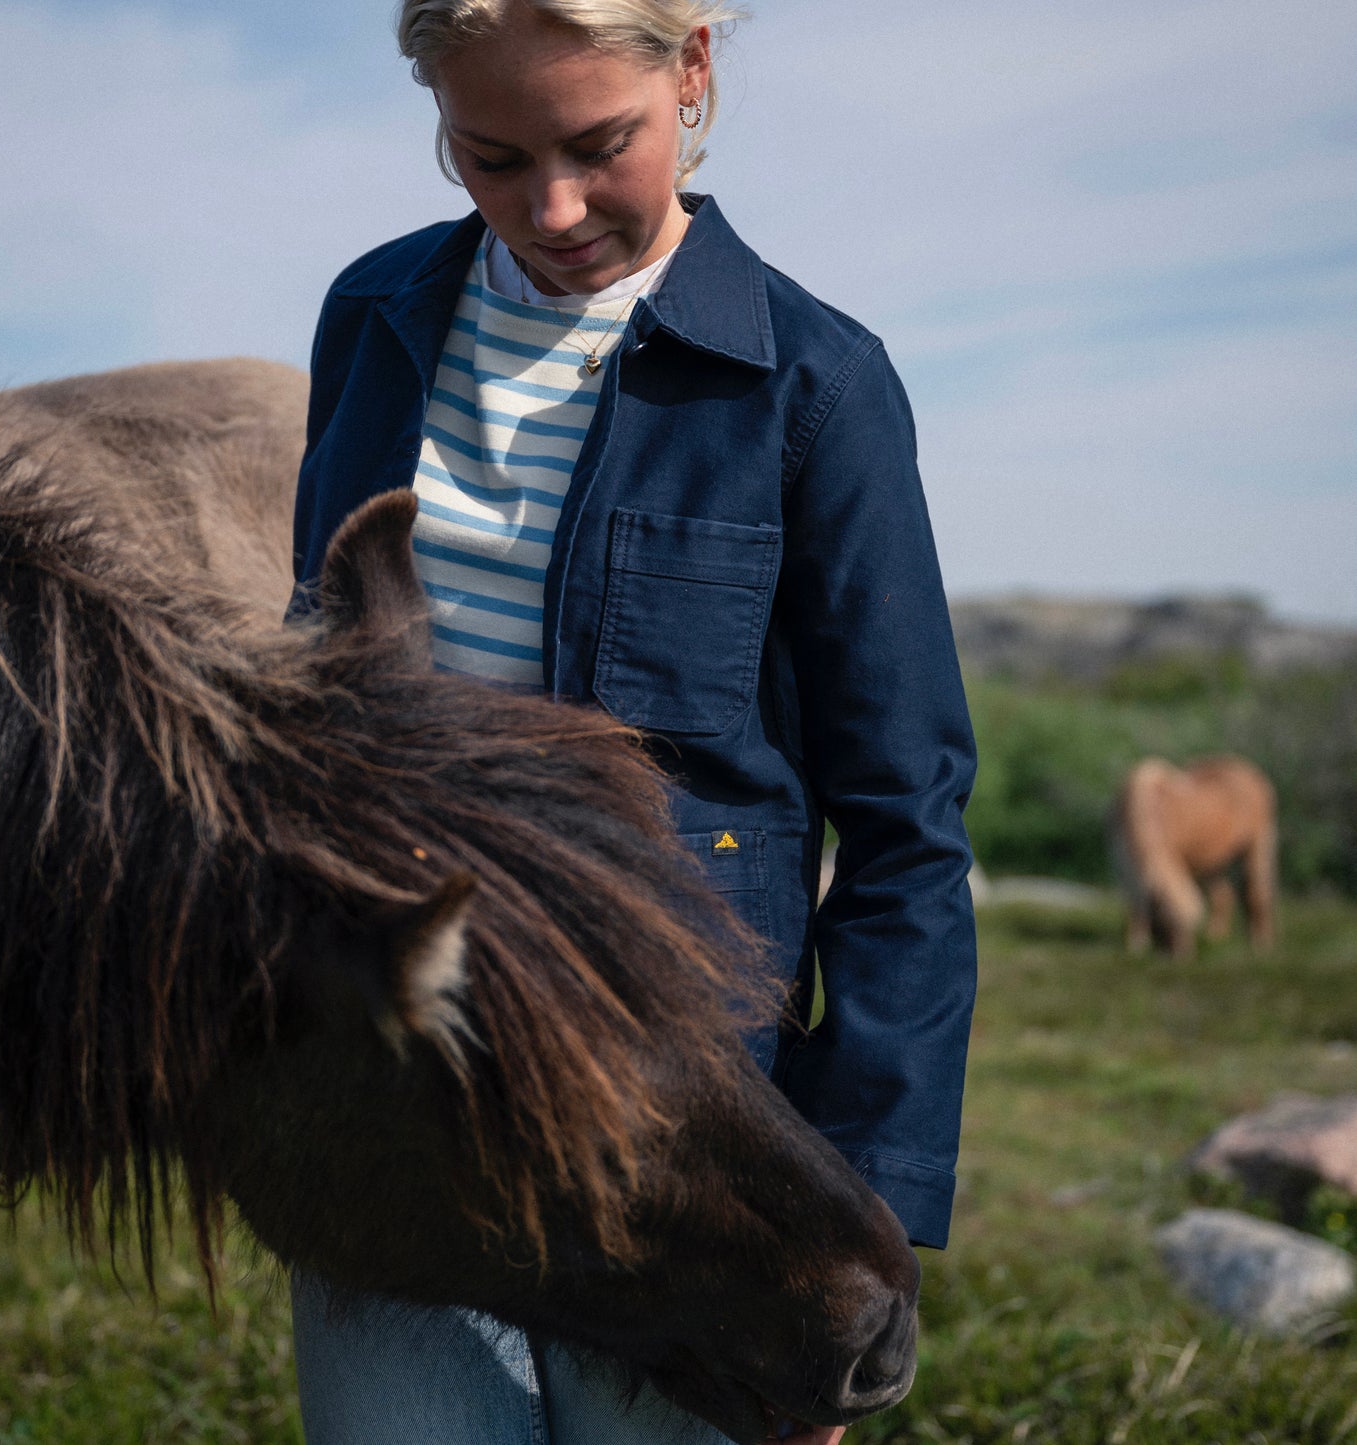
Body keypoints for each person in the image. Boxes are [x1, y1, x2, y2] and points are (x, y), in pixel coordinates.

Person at [287, 2, 978, 1441]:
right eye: (489, 156)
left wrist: (845, 1233)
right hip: (397, 1105)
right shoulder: (370, 315)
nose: (552, 209)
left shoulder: (821, 386)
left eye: (601, 145)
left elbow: (906, 827)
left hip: (683, 1133)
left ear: (695, 71)